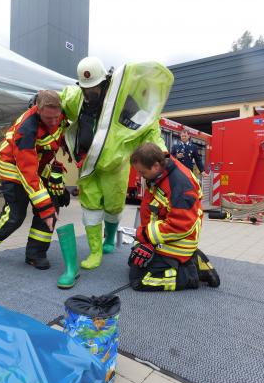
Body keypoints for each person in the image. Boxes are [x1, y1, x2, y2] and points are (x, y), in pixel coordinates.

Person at [58, 56, 173, 271]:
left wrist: (162, 152)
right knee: (90, 208)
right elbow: (61, 97)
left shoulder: (123, 101)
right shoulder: (78, 98)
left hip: (115, 168)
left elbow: (147, 126)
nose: (89, 93)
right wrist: (40, 100)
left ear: (104, 83)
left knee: (113, 206)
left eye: (93, 89)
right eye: (85, 89)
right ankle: (95, 252)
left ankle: (109, 239)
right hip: (87, 167)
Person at [0, 90, 70, 269]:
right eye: (49, 119)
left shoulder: (59, 114)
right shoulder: (26, 128)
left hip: (38, 165)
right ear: (38, 110)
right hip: (14, 169)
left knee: (52, 209)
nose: (55, 122)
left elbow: (58, 137)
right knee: (15, 215)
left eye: (57, 117)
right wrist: (44, 207)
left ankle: (35, 254)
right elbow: (28, 172)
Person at [127, 143, 220, 291]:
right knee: (134, 261)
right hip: (167, 237)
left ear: (156, 166)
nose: (140, 176)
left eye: (142, 172)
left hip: (180, 239)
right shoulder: (162, 170)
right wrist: (146, 242)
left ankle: (190, 276)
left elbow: (179, 226)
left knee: (138, 280)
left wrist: (144, 235)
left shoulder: (179, 184)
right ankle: (193, 260)